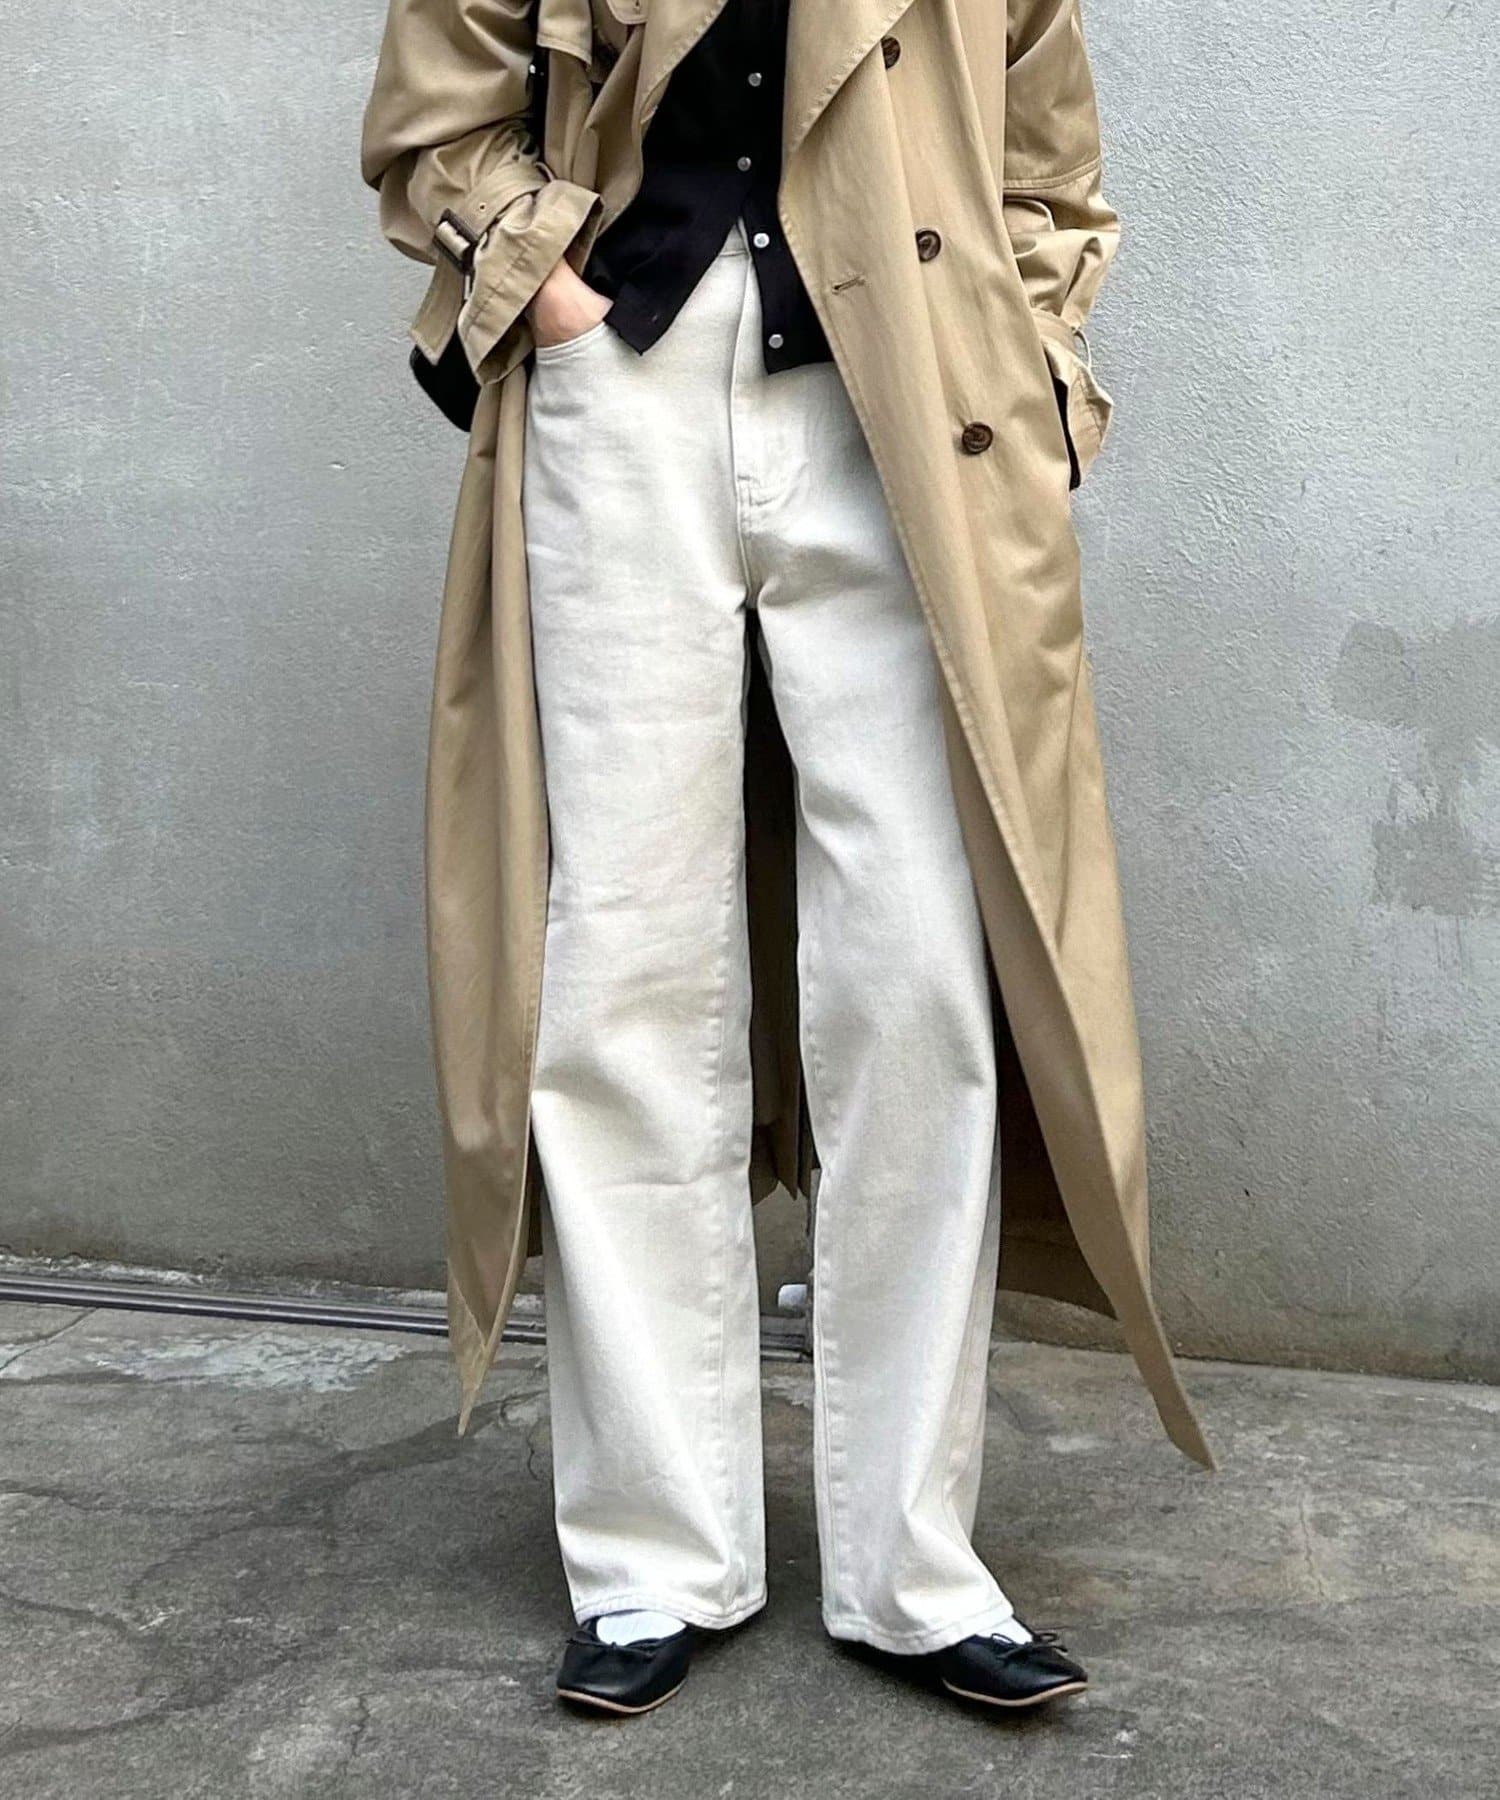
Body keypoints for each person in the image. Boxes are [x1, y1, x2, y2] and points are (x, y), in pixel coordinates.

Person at [360, 0, 1213, 1719]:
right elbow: (434, 119)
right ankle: (651, 1554)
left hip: (912, 404)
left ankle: (916, 1562)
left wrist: (1033, 370)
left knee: (923, 978)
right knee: (624, 967)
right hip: (626, 384)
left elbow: (1048, 157)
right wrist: (551, 292)